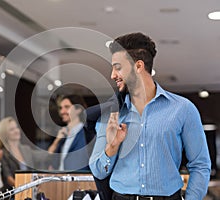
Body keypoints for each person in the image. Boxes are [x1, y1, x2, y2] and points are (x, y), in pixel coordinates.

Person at [89, 32, 211, 200]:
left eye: (118, 67)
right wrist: (113, 146)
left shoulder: (183, 109)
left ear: (138, 66)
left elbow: (200, 165)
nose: (112, 75)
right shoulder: (110, 114)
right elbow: (98, 171)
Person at [0, 116, 49, 191]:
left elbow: (44, 156)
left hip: (28, 191)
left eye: (16, 127)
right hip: (12, 194)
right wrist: (25, 188)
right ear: (5, 134)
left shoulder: (25, 149)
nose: (16, 131)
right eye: (12, 129)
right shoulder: (2, 153)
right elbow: (8, 178)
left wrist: (57, 142)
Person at [48, 95, 90, 171]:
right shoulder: (62, 134)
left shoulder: (87, 133)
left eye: (67, 107)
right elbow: (49, 156)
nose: (62, 112)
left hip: (79, 180)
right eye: (61, 108)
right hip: (61, 180)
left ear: (78, 109)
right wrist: (57, 140)